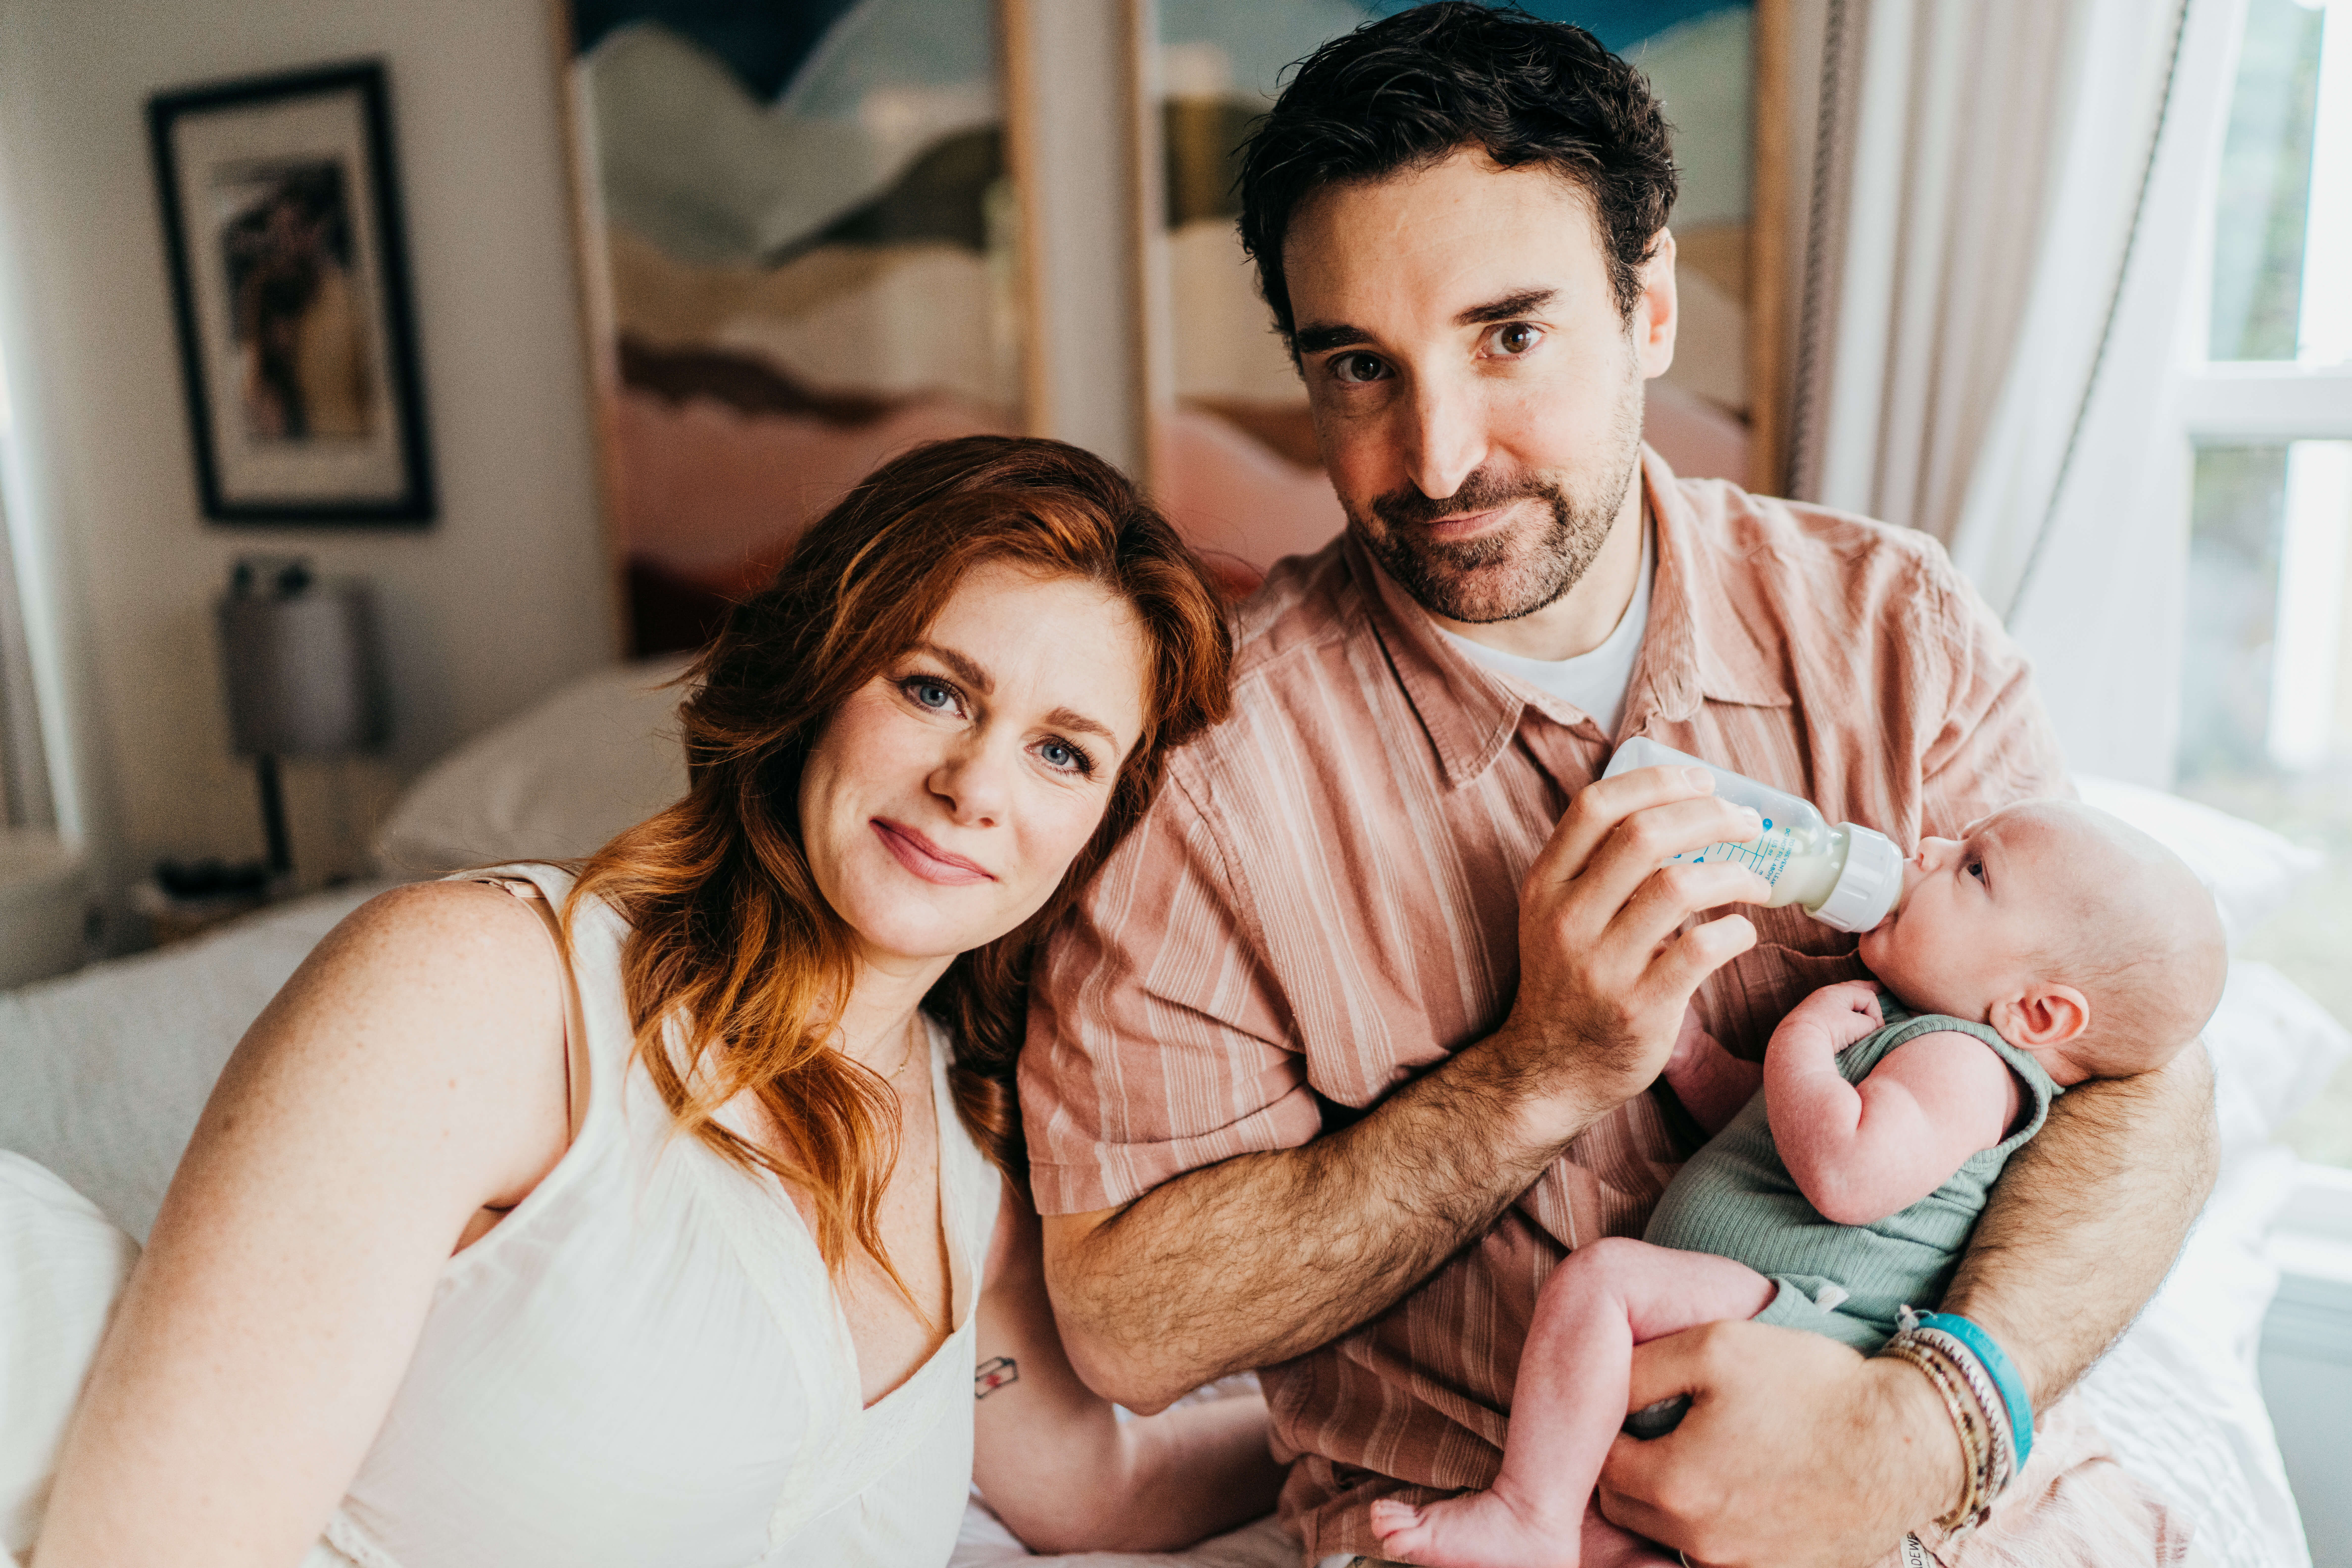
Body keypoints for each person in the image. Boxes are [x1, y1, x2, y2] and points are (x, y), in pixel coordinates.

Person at [1019, 8, 2217, 1567]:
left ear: (1647, 305)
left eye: (1509, 337)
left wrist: (1925, 1426)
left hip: (1951, 1509)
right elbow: (1126, 1326)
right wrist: (1535, 1075)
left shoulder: (1889, 630)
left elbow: (2142, 1077)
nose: (1438, 458)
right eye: (1358, 368)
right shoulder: (1208, 770)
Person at [30, 436, 1282, 1568]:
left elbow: (1098, 1492)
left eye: (1062, 753)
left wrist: (1374, 1418)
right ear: (819, 678)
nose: (974, 786)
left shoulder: (969, 1162)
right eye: (934, 689)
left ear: (1098, 831)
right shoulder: (473, 992)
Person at [1368, 802, 2228, 1568]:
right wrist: (1700, 1060)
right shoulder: (1914, 1034)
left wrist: (1799, 1044)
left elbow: (1846, 1173)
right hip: (1754, 1326)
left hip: (1809, 1329)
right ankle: (1574, 1534)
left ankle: (1529, 1515)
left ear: (2036, 1014)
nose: (1927, 846)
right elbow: (1781, 1133)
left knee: (1605, 1282)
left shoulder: (1966, 1067)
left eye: (1974, 867)